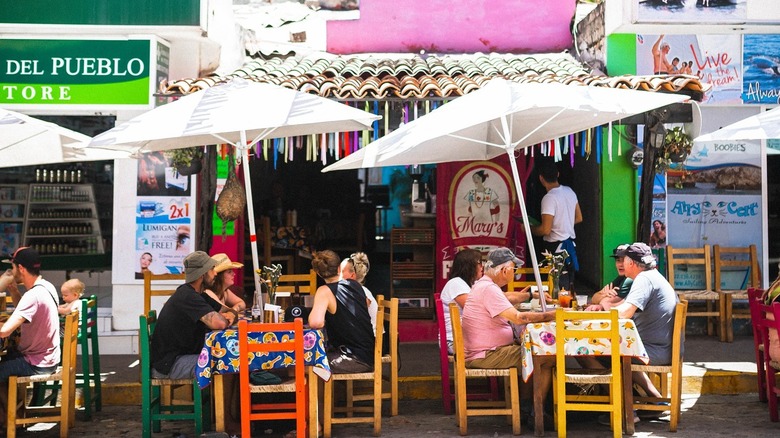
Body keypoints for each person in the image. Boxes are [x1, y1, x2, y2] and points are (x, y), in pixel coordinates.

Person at [461, 247, 556, 421]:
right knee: (545, 357)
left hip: (485, 350)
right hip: (486, 354)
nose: (515, 273)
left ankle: (527, 406)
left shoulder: (485, 285)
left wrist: (528, 296)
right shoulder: (489, 289)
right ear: (505, 270)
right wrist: (552, 314)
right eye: (514, 269)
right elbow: (520, 318)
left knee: (532, 352)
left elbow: (509, 303)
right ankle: (537, 412)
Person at [150, 251, 236, 380]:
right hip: (170, 364)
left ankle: (226, 400)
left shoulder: (200, 295)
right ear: (202, 274)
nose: (215, 273)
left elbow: (227, 310)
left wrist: (232, 314)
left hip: (183, 357)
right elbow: (220, 323)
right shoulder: (187, 296)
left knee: (228, 356)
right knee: (225, 361)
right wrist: (228, 316)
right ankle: (225, 401)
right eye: (212, 269)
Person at [613, 242, 680, 400]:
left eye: (624, 260)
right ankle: (653, 399)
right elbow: (626, 305)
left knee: (599, 353)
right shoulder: (653, 275)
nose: (621, 263)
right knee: (613, 349)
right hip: (662, 348)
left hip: (655, 351)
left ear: (630, 263)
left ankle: (624, 410)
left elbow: (625, 312)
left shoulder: (644, 279)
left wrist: (597, 315)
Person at [0, 247, 60, 420]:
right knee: (6, 359)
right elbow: (29, 315)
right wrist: (15, 293)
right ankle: (11, 415)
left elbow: (4, 332)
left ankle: (6, 420)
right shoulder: (46, 286)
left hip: (36, 363)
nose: (10, 272)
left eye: (12, 268)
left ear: (21, 269)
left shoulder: (33, 295)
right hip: (47, 356)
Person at [309, 250, 374, 374]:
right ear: (339, 268)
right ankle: (327, 393)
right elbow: (366, 303)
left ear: (318, 273)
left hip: (352, 359)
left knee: (308, 363)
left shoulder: (324, 291)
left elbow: (316, 323)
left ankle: (318, 394)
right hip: (367, 354)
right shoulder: (355, 285)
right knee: (315, 359)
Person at [531, 160, 582, 290]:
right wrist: (563, 223)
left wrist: (529, 229)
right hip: (570, 245)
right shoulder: (569, 191)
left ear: (541, 178)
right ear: (558, 174)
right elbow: (578, 218)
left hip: (554, 248)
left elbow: (545, 230)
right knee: (569, 284)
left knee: (557, 287)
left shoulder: (549, 198)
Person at [439, 248, 483, 354]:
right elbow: (475, 309)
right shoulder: (456, 283)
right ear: (468, 266)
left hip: (464, 338)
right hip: (454, 341)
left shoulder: (468, 284)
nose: (482, 266)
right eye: (479, 263)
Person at [339, 252, 377, 332]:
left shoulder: (359, 292)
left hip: (370, 337)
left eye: (342, 271)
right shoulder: (358, 289)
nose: (339, 274)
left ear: (352, 275)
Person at [587, 244, 632, 311]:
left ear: (631, 262)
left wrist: (603, 300)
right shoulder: (621, 277)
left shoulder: (630, 278)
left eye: (623, 261)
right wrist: (604, 295)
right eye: (618, 260)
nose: (620, 264)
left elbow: (606, 303)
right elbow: (594, 298)